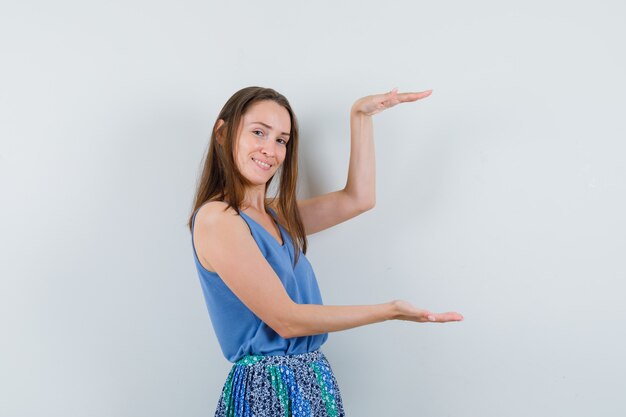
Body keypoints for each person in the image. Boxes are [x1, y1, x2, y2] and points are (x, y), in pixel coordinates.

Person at [188, 86, 464, 417]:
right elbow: (286, 320)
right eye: (258, 132)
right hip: (267, 390)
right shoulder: (218, 219)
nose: (270, 149)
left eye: (281, 140)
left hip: (314, 380)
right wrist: (389, 310)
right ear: (223, 133)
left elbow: (359, 198)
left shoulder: (277, 216)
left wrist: (360, 116)